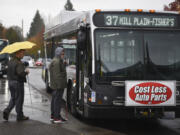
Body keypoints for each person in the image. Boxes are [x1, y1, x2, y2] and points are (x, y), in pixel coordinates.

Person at [3, 49, 29, 121]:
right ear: (18, 53)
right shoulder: (18, 62)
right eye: (22, 53)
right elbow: (20, 73)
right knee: (19, 99)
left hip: (10, 82)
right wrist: (26, 72)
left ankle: (7, 110)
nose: (23, 54)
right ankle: (20, 116)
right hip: (18, 83)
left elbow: (9, 70)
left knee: (13, 98)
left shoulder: (10, 61)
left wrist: (23, 65)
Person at [49, 47, 67, 124]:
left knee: (54, 100)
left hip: (55, 85)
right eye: (62, 53)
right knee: (57, 101)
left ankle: (54, 116)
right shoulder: (57, 62)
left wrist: (64, 65)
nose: (63, 55)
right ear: (58, 53)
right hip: (58, 86)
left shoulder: (57, 61)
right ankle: (56, 117)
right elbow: (57, 75)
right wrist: (60, 86)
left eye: (63, 53)